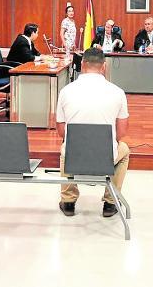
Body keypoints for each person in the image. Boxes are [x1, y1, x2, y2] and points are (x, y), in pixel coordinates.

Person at [56, 48, 130, 218]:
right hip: (106, 156)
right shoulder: (118, 92)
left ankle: (68, 200)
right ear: (104, 66)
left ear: (82, 65)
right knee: (124, 150)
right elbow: (121, 132)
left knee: (66, 147)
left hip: (74, 154)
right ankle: (111, 202)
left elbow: (62, 131)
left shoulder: (66, 91)